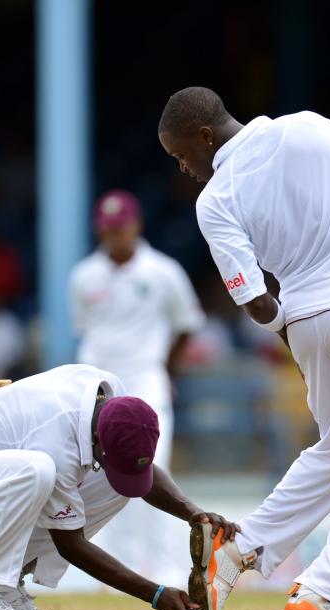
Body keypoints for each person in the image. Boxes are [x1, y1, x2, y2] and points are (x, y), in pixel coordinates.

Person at [158, 87, 330, 610]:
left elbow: (255, 302)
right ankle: (321, 591)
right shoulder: (312, 126)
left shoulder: (214, 201)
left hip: (304, 320)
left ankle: (238, 550)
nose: (184, 168)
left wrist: (292, 337)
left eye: (182, 154)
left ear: (206, 136)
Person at [0, 364, 236, 610]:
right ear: (100, 440)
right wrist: (155, 594)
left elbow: (139, 476)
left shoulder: (111, 399)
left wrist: (194, 513)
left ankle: (5, 588)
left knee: (112, 485)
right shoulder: (55, 442)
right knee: (36, 469)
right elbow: (70, 543)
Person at [68, 189, 206, 586]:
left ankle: (167, 569)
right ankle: (119, 570)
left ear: (136, 226)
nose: (116, 237)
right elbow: (84, 328)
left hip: (146, 380)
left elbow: (186, 324)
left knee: (154, 473)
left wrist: (167, 370)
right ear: (101, 230)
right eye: (109, 230)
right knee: (102, 479)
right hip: (98, 388)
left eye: (122, 228)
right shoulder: (83, 276)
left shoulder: (163, 272)